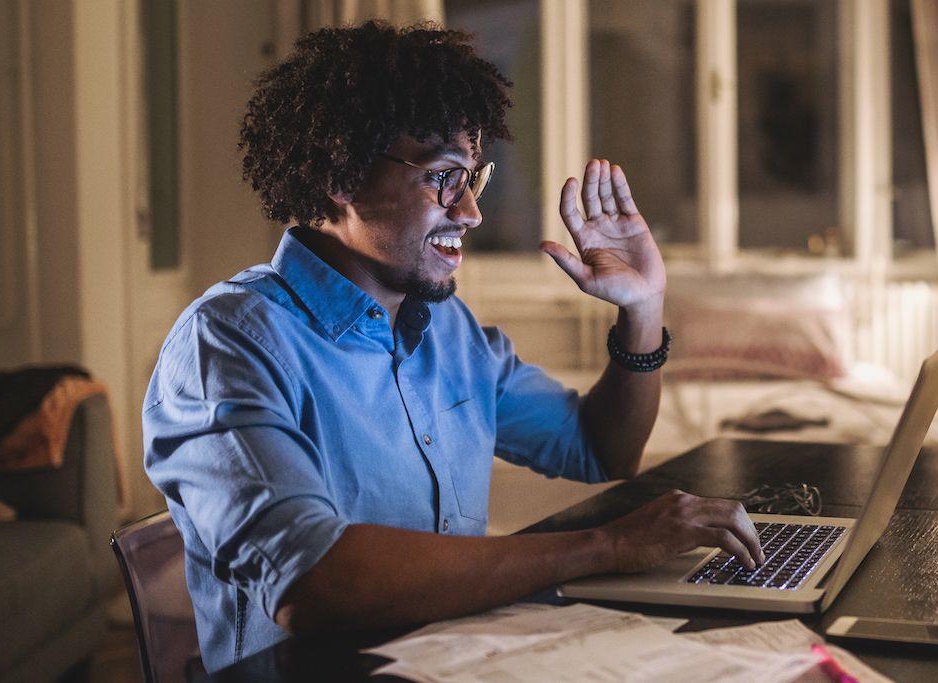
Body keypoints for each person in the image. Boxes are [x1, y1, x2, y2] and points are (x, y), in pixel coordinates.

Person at [143, 20, 764, 671]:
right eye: (443, 176)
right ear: (342, 174)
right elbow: (318, 581)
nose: (469, 210)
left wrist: (642, 307)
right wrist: (606, 544)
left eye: (473, 177)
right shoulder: (229, 343)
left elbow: (602, 448)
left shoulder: (449, 331)